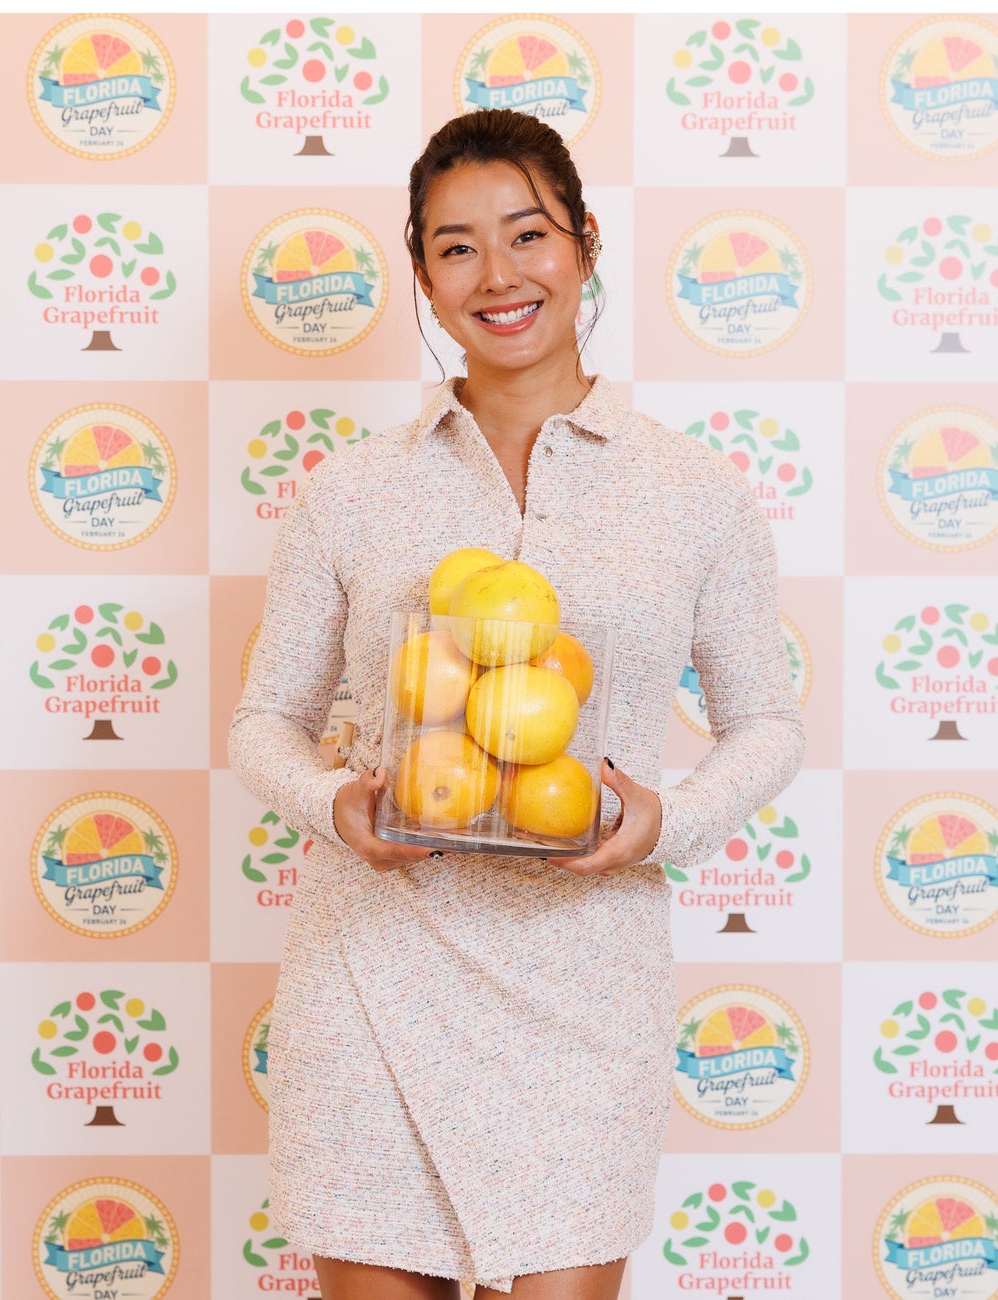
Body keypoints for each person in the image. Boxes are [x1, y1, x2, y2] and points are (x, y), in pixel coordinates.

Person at [227, 108, 806, 1300]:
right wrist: (336, 806)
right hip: (375, 973)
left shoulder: (692, 489)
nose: (498, 274)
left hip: (586, 982)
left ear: (585, 243)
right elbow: (262, 724)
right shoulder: (354, 490)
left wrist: (668, 820)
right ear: (423, 275)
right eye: (457, 247)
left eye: (527, 234)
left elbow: (768, 723)